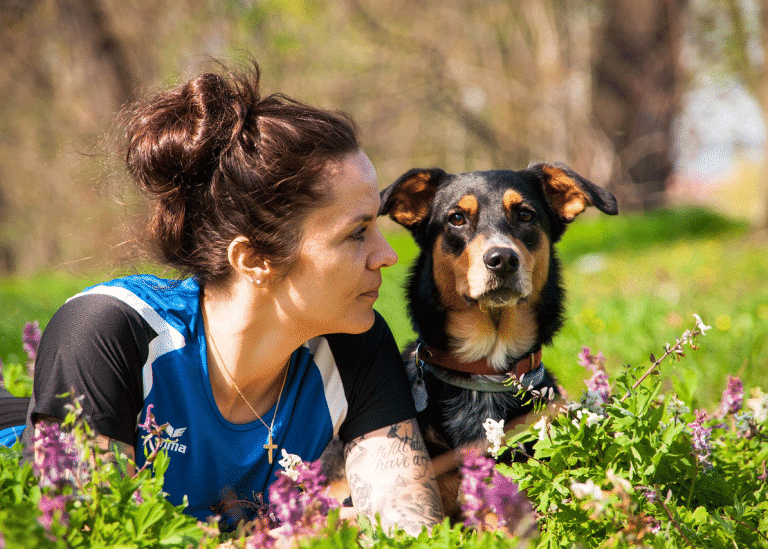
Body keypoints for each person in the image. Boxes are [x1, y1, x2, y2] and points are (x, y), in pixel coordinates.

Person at [12, 63, 443, 533]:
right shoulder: (106, 332)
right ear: (256, 258)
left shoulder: (353, 342)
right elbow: (90, 537)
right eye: (357, 233)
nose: (386, 256)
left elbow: (411, 533)